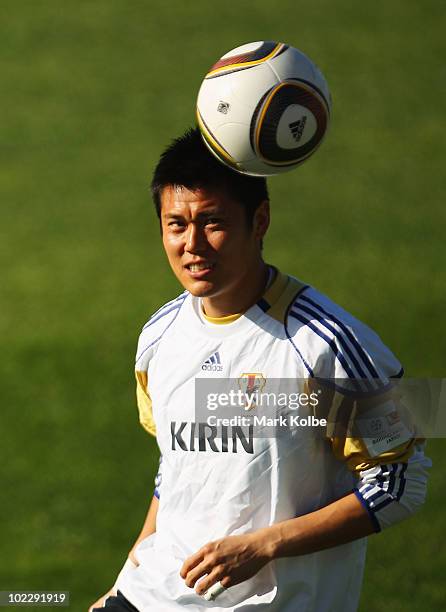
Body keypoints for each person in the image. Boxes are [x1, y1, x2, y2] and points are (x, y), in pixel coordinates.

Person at [89, 128, 430, 612]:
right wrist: (129, 575)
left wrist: (265, 544)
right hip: (155, 595)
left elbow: (402, 484)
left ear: (260, 220)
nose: (193, 244)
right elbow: (178, 464)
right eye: (176, 225)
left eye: (213, 222)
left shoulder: (329, 348)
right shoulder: (158, 337)